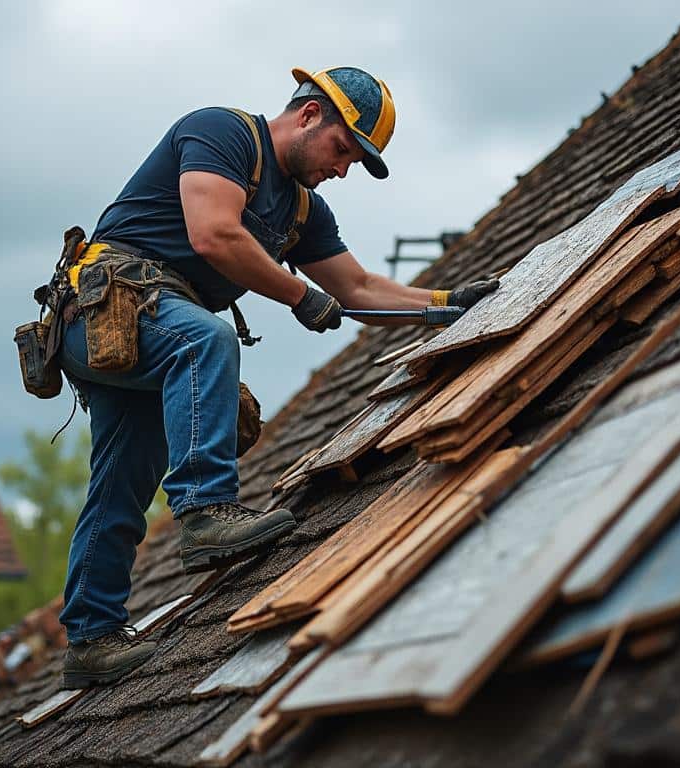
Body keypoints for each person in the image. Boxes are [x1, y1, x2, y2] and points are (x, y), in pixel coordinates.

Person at [54, 66, 499, 688]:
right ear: (310, 114)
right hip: (103, 309)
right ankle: (206, 512)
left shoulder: (301, 210)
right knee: (205, 339)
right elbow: (214, 235)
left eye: (354, 161)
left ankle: (90, 637)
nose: (341, 169)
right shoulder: (221, 133)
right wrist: (298, 295)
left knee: (124, 477)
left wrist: (446, 304)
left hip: (153, 328)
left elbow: (359, 288)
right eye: (342, 149)